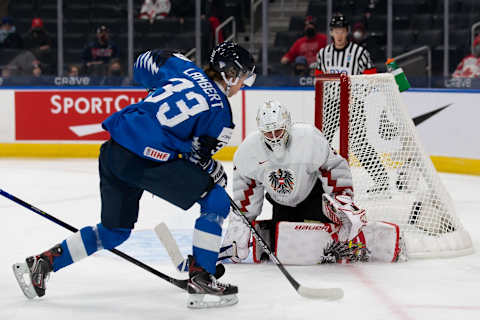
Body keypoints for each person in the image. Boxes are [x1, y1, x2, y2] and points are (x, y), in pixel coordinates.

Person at [13, 41, 256, 309]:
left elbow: (143, 63)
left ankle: (44, 262)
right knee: (216, 199)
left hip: (114, 150)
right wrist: (215, 171)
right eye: (244, 78)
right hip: (146, 159)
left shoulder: (183, 67)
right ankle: (201, 276)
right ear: (230, 73)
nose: (243, 85)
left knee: (114, 231)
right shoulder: (222, 113)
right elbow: (197, 158)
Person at [219, 100, 405, 265]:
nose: (274, 137)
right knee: (282, 245)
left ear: (288, 124)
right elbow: (245, 194)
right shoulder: (248, 152)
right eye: (269, 133)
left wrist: (342, 199)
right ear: (261, 131)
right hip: (281, 203)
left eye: (278, 130)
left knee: (333, 231)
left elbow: (335, 167)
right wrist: (240, 225)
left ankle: (354, 242)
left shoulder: (308, 139)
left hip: (313, 197)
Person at [315, 14, 388, 195]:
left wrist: (359, 96)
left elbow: (370, 78)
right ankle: (316, 180)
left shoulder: (360, 53)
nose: (339, 35)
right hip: (330, 105)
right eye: (335, 31)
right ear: (331, 32)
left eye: (342, 31)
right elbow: (318, 80)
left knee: (358, 143)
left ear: (347, 32)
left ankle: (381, 179)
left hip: (353, 104)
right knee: (321, 142)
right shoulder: (323, 54)